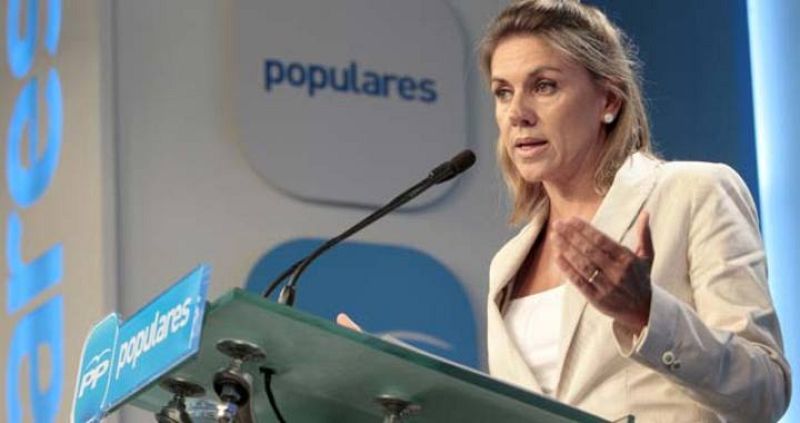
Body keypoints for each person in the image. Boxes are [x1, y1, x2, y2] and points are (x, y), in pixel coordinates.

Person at [481, 0, 790, 421]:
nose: (517, 114)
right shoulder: (505, 266)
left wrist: (646, 313)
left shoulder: (692, 193)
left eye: (544, 86)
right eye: (503, 92)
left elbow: (766, 391)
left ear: (609, 101)